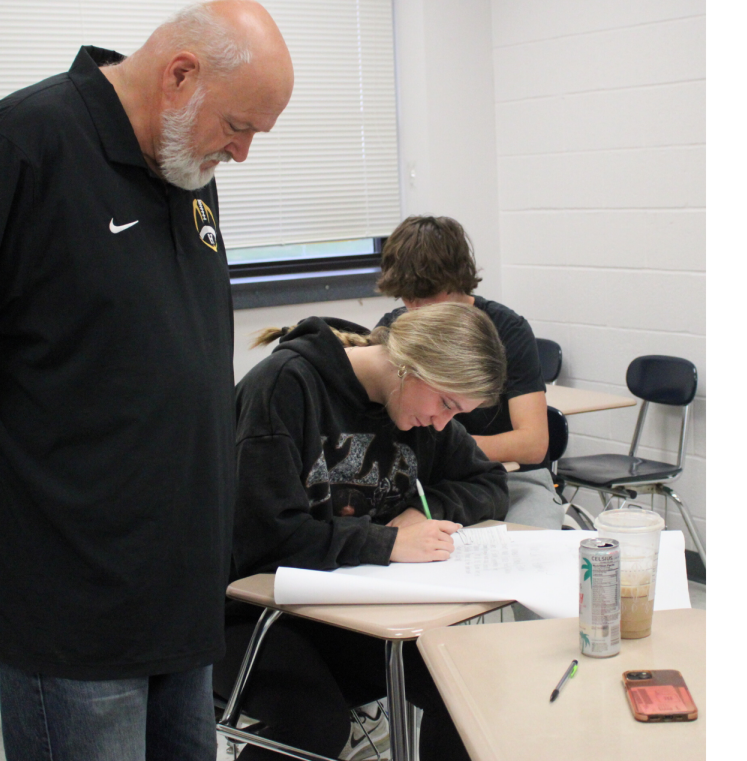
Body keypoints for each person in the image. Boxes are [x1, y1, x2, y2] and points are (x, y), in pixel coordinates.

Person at [0, 0, 293, 761]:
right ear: (180, 76)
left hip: (180, 579)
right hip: (73, 585)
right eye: (240, 127)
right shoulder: (21, 142)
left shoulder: (183, 158)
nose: (243, 152)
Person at [216, 302, 508, 761]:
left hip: (345, 607)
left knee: (463, 693)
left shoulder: (420, 410)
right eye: (447, 405)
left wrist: (415, 513)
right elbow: (267, 540)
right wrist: (388, 544)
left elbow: (488, 481)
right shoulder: (285, 386)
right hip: (246, 614)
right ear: (411, 366)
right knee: (314, 724)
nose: (441, 423)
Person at [376, 215, 564, 530]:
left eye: (428, 297)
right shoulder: (394, 328)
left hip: (513, 481)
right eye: (408, 299)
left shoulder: (507, 330)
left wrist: (447, 451)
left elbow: (532, 444)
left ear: (456, 282)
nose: (417, 310)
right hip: (427, 485)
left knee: (528, 551)